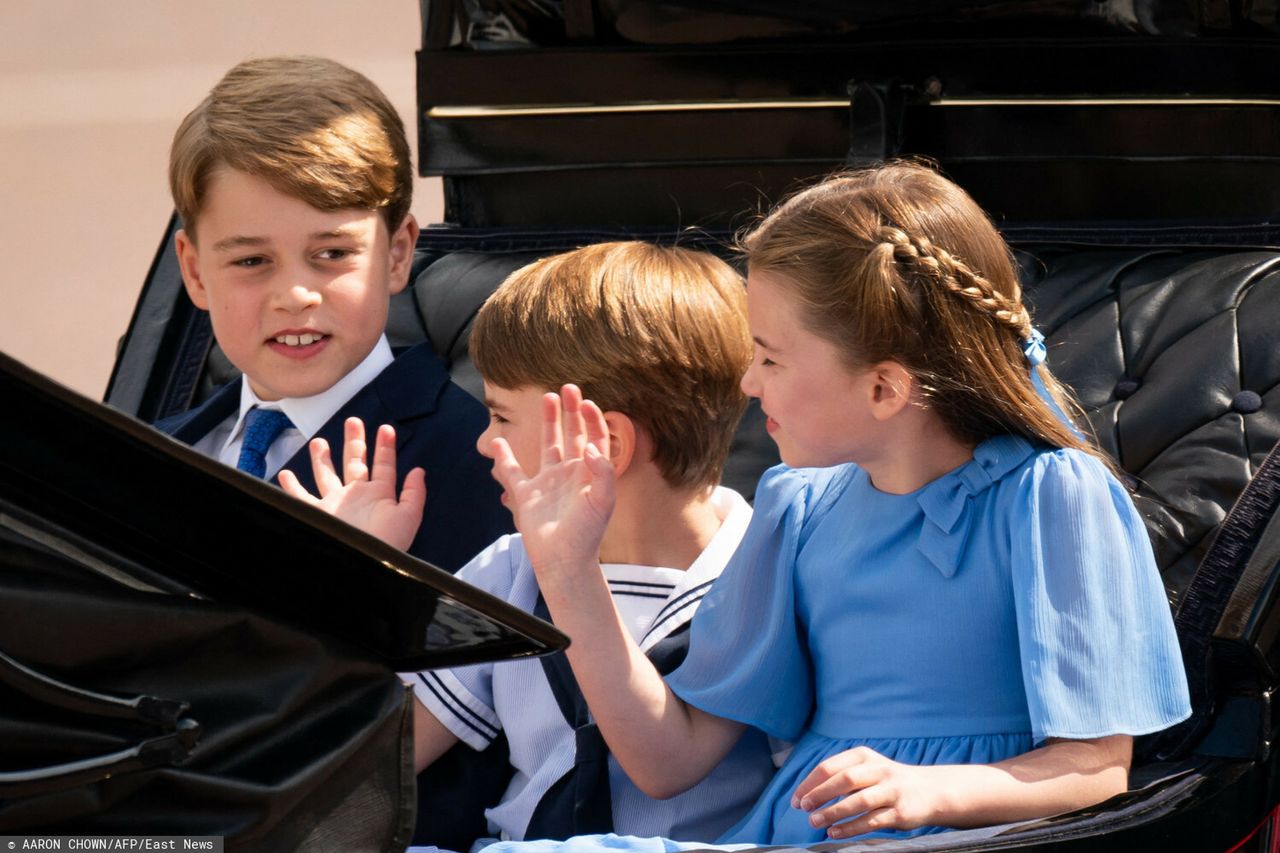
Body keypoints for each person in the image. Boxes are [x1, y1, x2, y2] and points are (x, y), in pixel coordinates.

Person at [475, 162, 1193, 847]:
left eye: (771, 357)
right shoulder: (798, 507)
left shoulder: (1052, 495)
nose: (749, 383)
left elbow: (1097, 770)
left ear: (883, 388)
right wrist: (568, 571)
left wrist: (929, 791)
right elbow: (668, 760)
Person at [285, 242, 776, 847]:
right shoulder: (508, 571)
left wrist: (567, 569)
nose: (484, 442)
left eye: (502, 418)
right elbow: (366, 757)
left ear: (606, 446)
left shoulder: (762, 572)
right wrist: (359, 585)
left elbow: (663, 769)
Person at [153, 55, 511, 572]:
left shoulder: (482, 466)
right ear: (195, 271)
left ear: (397, 254)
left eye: (332, 254)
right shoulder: (146, 455)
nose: (295, 296)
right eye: (252, 261)